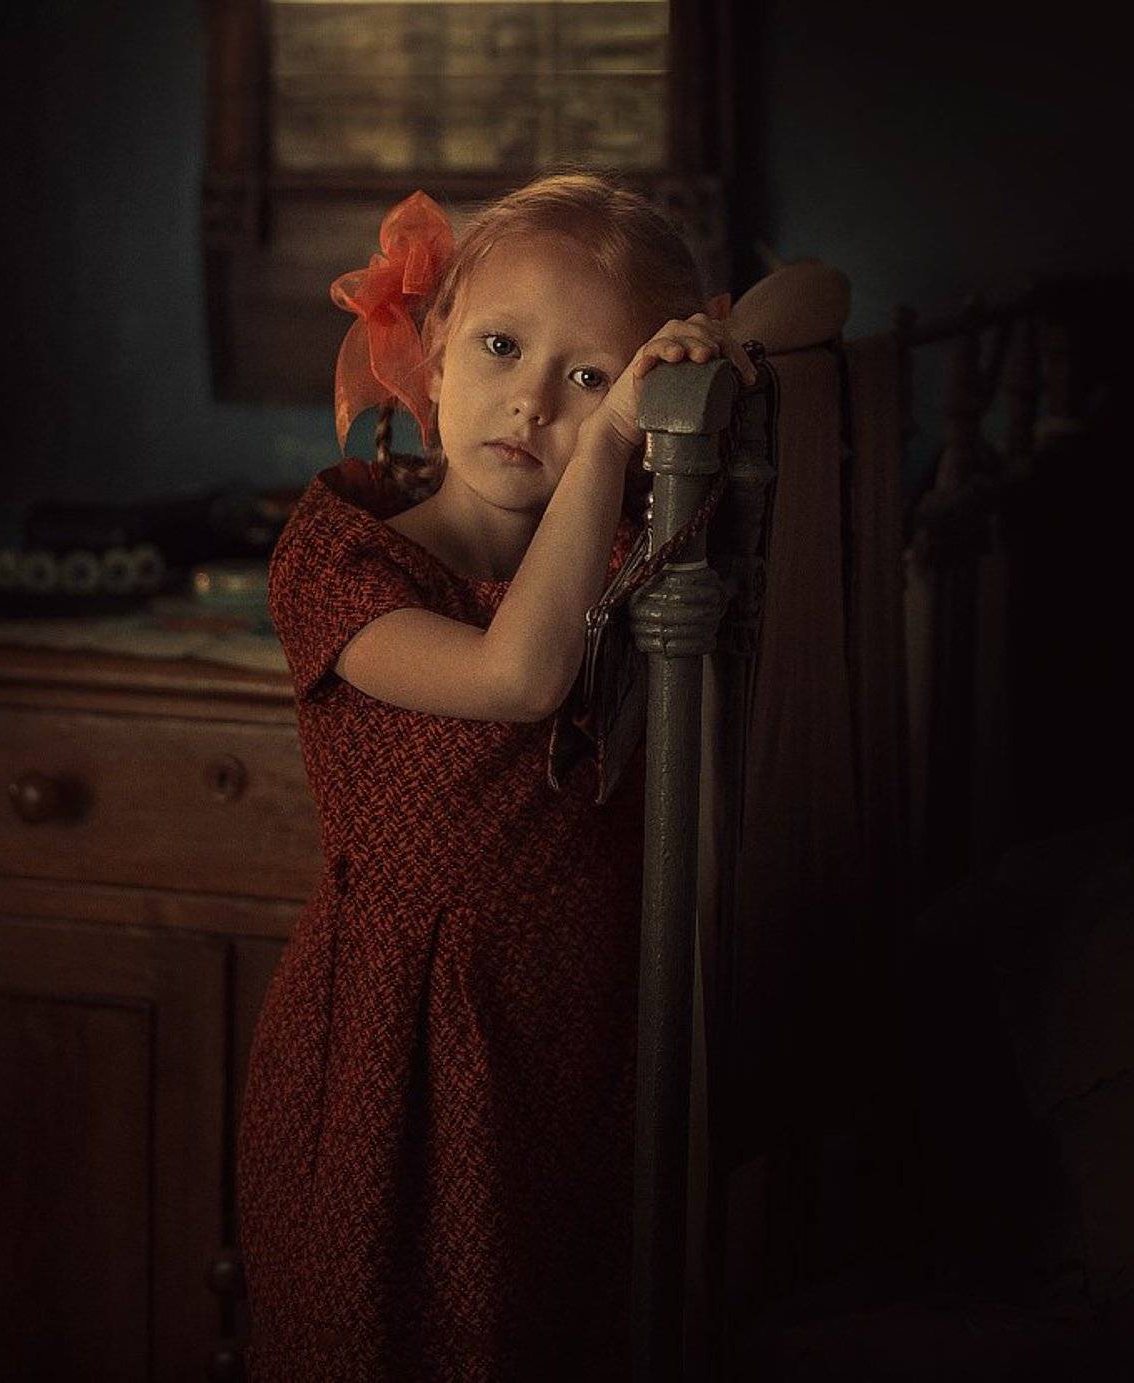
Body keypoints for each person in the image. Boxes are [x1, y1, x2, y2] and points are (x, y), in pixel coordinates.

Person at [237, 170, 755, 1381]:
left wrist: (718, 352)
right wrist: (612, 436)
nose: (531, 403)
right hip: (405, 1041)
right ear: (431, 351)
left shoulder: (629, 553)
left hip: (577, 1022)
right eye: (502, 347)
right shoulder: (340, 560)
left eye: (590, 376)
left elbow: (812, 299)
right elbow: (521, 677)